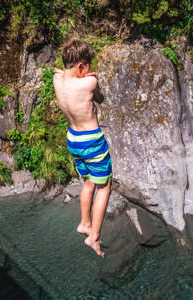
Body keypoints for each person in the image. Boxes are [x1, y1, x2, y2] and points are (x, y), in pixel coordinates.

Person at [53, 38, 112, 258]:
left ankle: (85, 223)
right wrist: (90, 77)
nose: (90, 71)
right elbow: (100, 97)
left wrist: (74, 73)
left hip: (73, 139)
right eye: (87, 66)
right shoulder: (88, 83)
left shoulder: (57, 80)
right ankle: (93, 236)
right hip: (91, 140)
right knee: (105, 187)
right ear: (81, 66)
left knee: (88, 182)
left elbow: (60, 73)